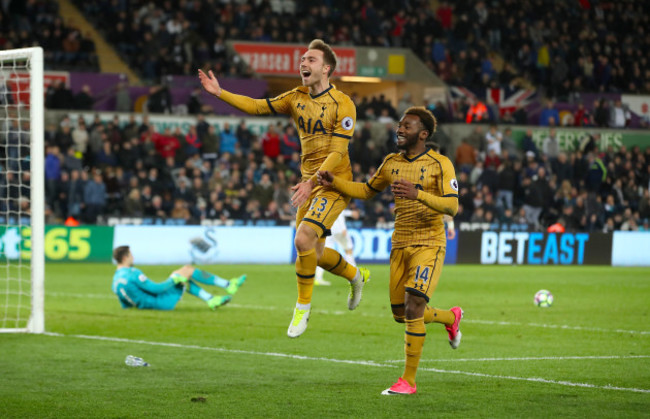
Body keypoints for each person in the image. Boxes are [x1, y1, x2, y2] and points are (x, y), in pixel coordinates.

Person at [199, 39, 370, 338]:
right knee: (313, 253)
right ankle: (355, 276)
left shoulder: (343, 104)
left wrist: (311, 182)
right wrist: (220, 93)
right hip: (309, 182)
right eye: (302, 58)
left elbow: (338, 153)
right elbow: (257, 106)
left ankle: (302, 308)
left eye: (311, 59)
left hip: (333, 184)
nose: (303, 63)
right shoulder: (296, 97)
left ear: (326, 68)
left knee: (302, 240)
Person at [318, 106, 463, 396]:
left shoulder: (440, 163)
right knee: (401, 314)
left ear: (423, 134)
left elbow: (452, 206)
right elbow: (367, 190)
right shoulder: (391, 163)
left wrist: (417, 193)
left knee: (413, 306)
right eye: (399, 125)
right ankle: (450, 317)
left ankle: (408, 381)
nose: (399, 129)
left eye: (406, 127)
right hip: (399, 244)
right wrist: (336, 183)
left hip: (429, 243)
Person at [111, 245, 246, 311]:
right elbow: (156, 289)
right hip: (160, 303)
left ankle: (212, 299)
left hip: (146, 305)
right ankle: (228, 285)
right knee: (186, 271)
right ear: (124, 258)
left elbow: (124, 303)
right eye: (130, 255)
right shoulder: (133, 273)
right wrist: (173, 279)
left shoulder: (115, 280)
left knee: (183, 275)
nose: (133, 257)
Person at [314, 209, 357, 286]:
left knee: (323, 254)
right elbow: (339, 212)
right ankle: (353, 276)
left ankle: (318, 278)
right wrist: (343, 228)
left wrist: (350, 213)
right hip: (339, 230)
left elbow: (341, 211)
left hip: (329, 229)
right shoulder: (339, 199)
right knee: (348, 250)